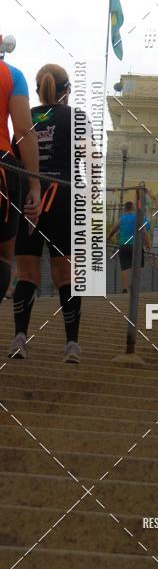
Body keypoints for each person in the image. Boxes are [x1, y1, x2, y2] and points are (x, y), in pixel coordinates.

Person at [8, 65, 83, 362]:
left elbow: (17, 156)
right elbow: (87, 158)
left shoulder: (28, 118)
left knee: (26, 273)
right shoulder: (75, 116)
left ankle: (20, 339)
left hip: (30, 195)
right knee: (66, 275)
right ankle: (71, 345)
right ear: (67, 90)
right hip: (64, 195)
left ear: (38, 90)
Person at [1, 57, 40, 355]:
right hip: (2, 168)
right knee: (3, 254)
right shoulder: (12, 74)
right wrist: (35, 185)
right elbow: (24, 131)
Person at [108, 200, 151, 293]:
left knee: (124, 267)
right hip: (137, 247)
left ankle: (124, 289)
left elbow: (113, 230)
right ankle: (135, 288)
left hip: (123, 246)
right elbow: (144, 232)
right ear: (133, 208)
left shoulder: (121, 219)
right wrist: (148, 243)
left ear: (124, 209)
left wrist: (108, 238)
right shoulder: (138, 218)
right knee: (138, 267)